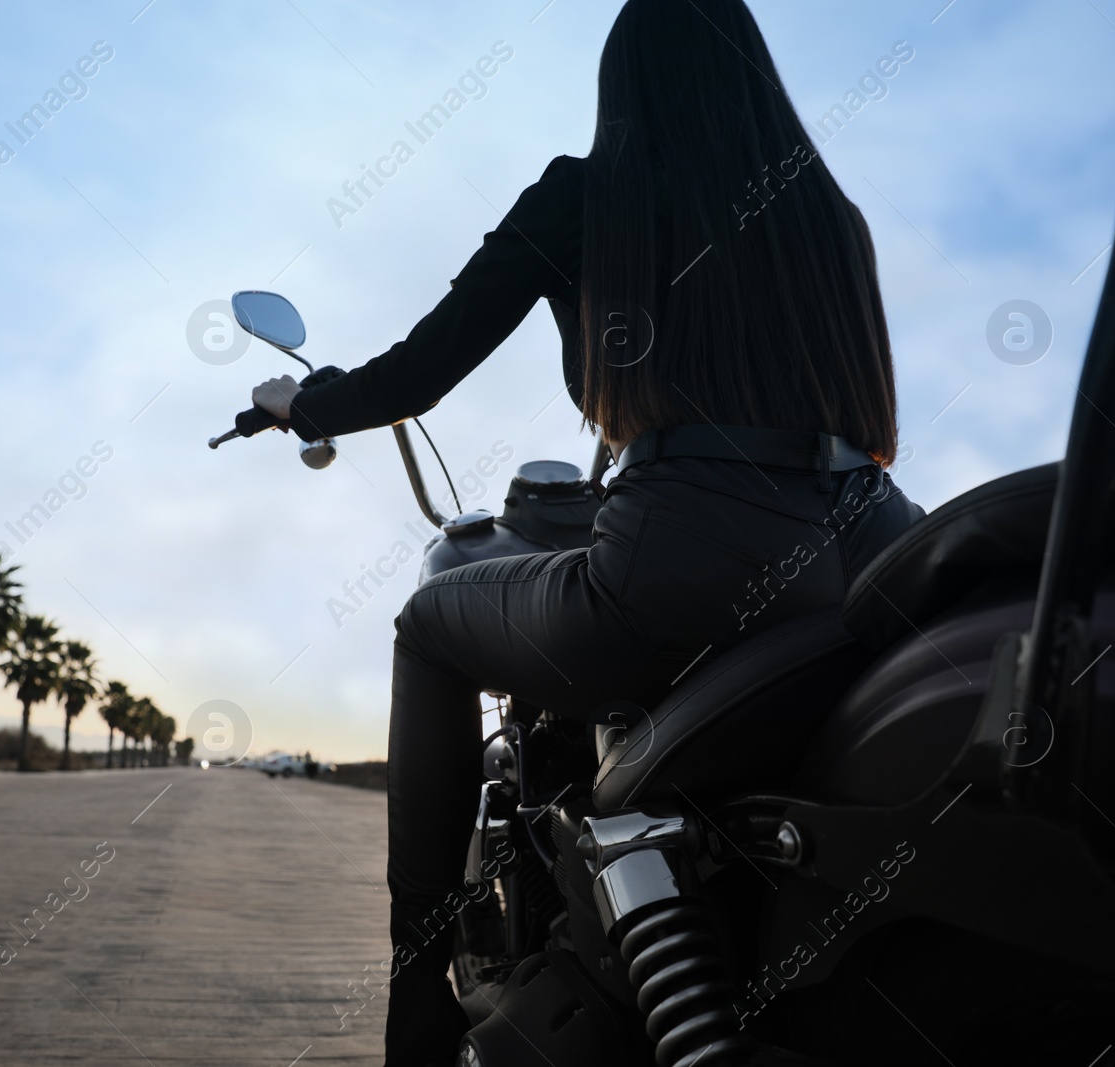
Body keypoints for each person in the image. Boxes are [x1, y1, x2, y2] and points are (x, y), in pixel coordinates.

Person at [250, 1, 922, 1063]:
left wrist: (302, 403)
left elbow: (417, 370)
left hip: (693, 546)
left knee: (428, 624)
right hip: (877, 551)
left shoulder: (582, 194)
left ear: (626, 82)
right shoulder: (830, 214)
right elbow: (871, 421)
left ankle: (417, 996)